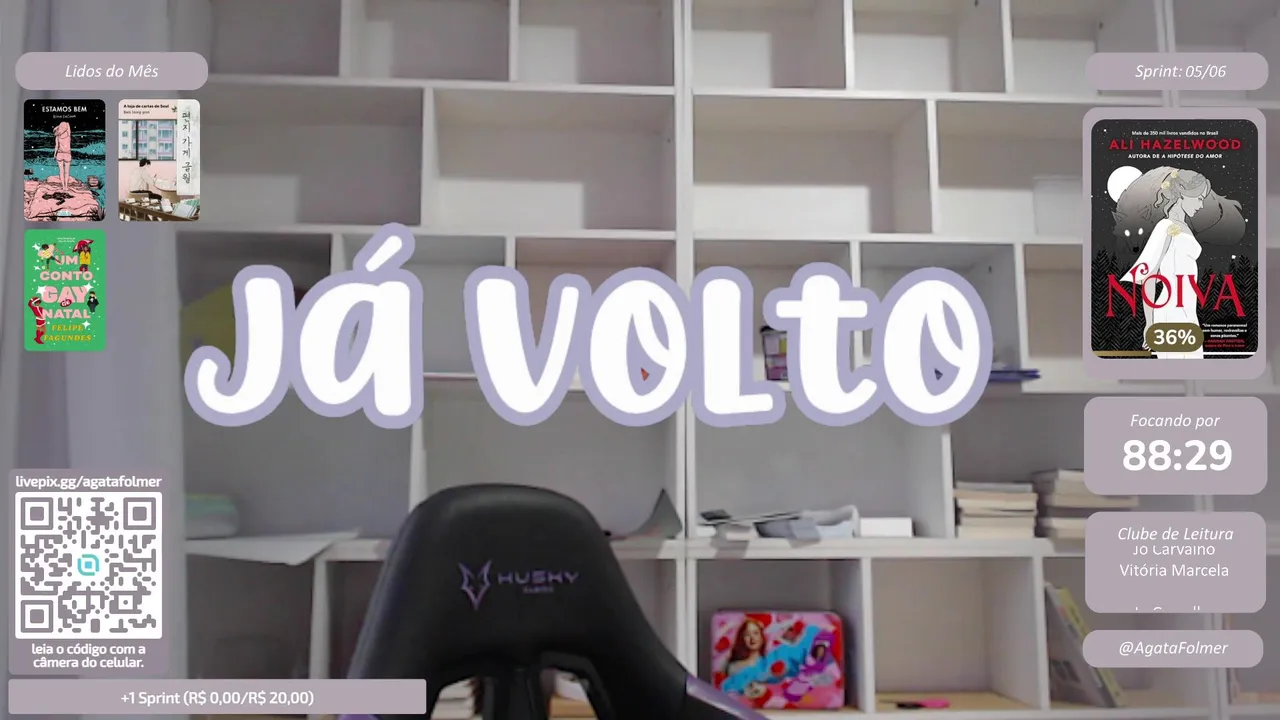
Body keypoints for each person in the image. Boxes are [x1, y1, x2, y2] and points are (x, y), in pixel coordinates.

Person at [1117, 168, 1212, 359]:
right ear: (1183, 195)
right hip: (1170, 311)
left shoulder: (1185, 228)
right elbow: (1149, 276)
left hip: (1188, 309)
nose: (1201, 205)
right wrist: (1150, 323)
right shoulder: (1165, 227)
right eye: (1199, 198)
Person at [722, 619, 821, 695]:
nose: (752, 638)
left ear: (761, 636)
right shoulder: (735, 667)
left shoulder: (775, 653)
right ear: (741, 638)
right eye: (747, 635)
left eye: (756, 633)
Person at [54, 121, 72, 190]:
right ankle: (66, 187)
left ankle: (63, 186)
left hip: (59, 154)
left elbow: (56, 146)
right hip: (67, 154)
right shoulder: (68, 134)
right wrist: (67, 124)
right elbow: (68, 125)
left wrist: (54, 154)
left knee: (61, 171)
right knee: (67, 172)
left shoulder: (58, 136)